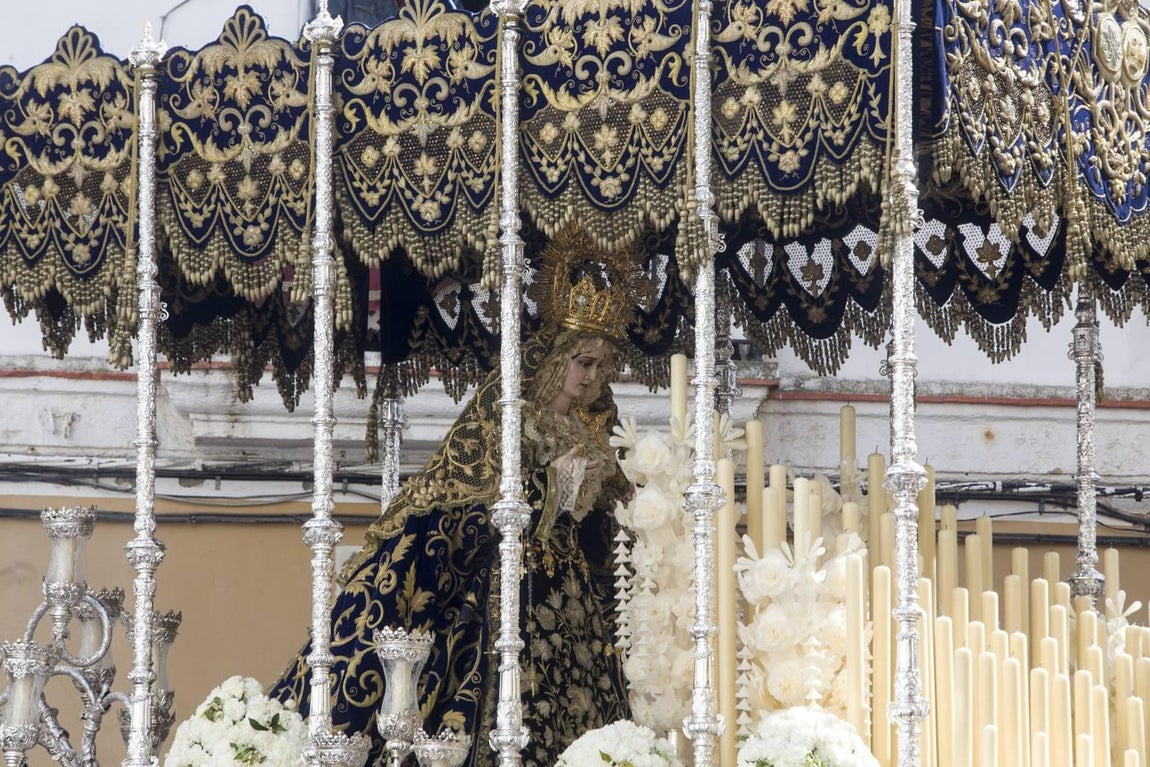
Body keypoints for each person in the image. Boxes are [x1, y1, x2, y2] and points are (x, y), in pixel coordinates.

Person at [270, 253, 635, 766]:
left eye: (601, 367)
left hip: (572, 595)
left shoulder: (594, 430)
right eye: (584, 363)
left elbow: (605, 525)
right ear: (557, 359)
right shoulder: (507, 410)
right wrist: (556, 479)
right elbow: (477, 498)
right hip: (510, 588)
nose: (592, 378)